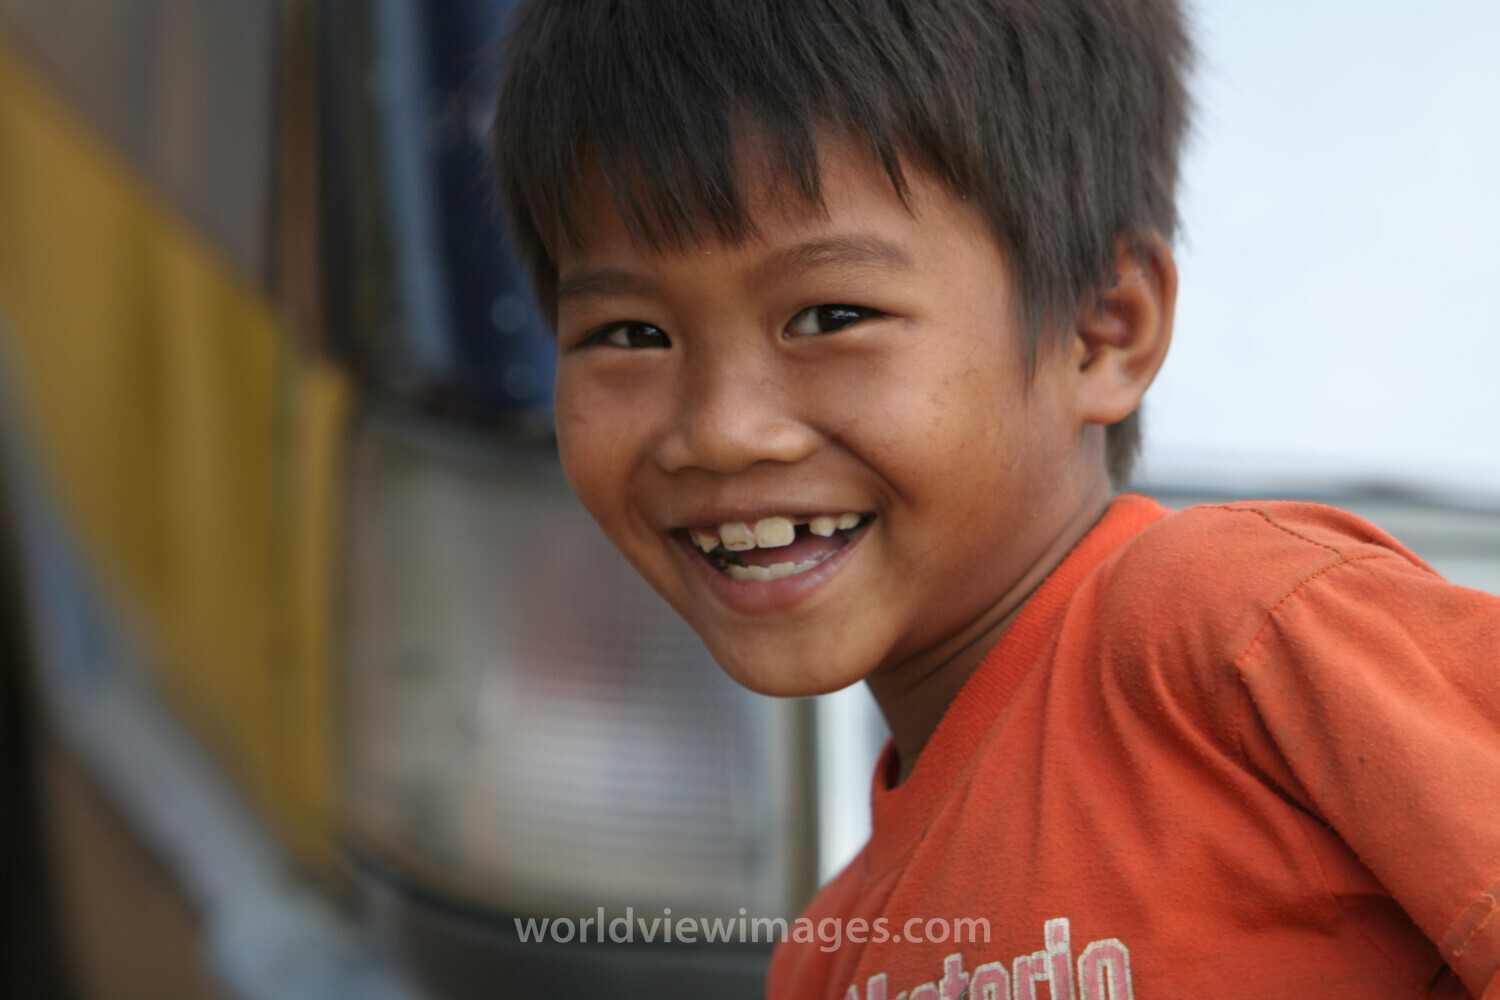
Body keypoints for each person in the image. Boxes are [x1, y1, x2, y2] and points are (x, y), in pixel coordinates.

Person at [487, 1, 1500, 996]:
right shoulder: (824, 961)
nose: (720, 428)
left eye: (831, 314)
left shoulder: (1238, 633)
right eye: (628, 334)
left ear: (1104, 329)